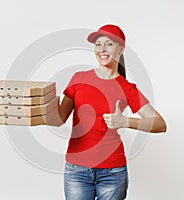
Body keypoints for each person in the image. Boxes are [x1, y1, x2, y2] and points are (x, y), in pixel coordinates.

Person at [51, 24, 167, 200]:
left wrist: (126, 122)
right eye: (98, 44)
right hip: (77, 172)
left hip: (112, 173)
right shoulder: (78, 78)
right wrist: (41, 107)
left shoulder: (127, 88)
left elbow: (160, 124)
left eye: (109, 44)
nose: (102, 50)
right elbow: (58, 119)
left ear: (121, 49)